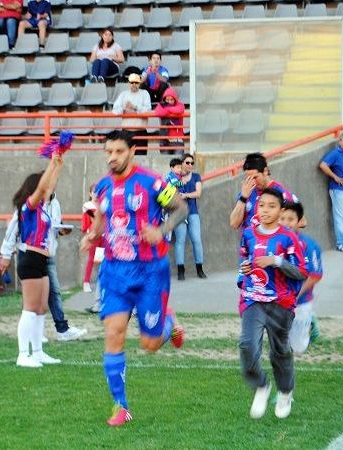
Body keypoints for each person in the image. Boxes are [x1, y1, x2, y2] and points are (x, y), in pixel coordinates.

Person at [79, 130, 187, 427]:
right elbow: (101, 221)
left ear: (132, 151)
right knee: (113, 335)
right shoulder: (102, 187)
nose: (112, 157)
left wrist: (161, 231)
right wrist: (91, 236)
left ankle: (168, 323)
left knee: (149, 345)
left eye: (118, 151)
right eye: (108, 152)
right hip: (115, 273)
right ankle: (121, 406)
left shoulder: (152, 183)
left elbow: (181, 207)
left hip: (150, 272)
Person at [237, 189, 307, 420]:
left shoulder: (288, 238)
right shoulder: (248, 234)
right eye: (262, 206)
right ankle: (261, 385)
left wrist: (277, 261)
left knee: (280, 352)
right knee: (247, 345)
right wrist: (245, 270)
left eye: (271, 206)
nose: (265, 210)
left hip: (281, 303)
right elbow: (244, 262)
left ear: (280, 210)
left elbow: (301, 272)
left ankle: (285, 391)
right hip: (253, 300)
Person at [0, 189, 88, 343]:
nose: (52, 187)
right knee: (32, 298)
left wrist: (62, 231)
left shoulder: (55, 203)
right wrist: (5, 254)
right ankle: (30, 339)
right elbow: (13, 228)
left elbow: (51, 229)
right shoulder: (30, 204)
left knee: (52, 293)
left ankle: (59, 330)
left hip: (48, 255)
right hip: (31, 255)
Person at [9, 157, 66, 367]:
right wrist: (51, 164)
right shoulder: (29, 207)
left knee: (42, 307)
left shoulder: (43, 207)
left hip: (41, 258)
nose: (48, 189)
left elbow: (49, 185)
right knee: (30, 308)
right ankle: (23, 354)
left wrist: (58, 164)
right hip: (30, 258)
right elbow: (44, 185)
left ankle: (38, 352)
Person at [279, 201, 323, 355]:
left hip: (301, 301)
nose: (285, 223)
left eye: (290, 219)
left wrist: (296, 295)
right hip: (278, 301)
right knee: (280, 344)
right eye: (282, 218)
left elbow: (315, 275)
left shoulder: (309, 245)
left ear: (299, 221)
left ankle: (310, 321)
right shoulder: (273, 242)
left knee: (298, 348)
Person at [229, 152, 297, 232]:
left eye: (256, 177)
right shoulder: (246, 192)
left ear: (265, 171)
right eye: (249, 178)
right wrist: (243, 198)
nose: (253, 182)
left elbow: (294, 223)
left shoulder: (281, 193)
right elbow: (234, 223)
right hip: (249, 243)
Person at [174, 154, 206, 281]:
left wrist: (185, 195)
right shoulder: (174, 176)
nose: (190, 165)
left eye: (192, 163)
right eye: (187, 163)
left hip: (192, 211)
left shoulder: (196, 176)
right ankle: (180, 271)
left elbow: (198, 193)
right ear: (181, 163)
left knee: (196, 240)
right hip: (178, 212)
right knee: (180, 241)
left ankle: (200, 269)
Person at [81, 184, 103, 312]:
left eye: (97, 192)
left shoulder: (101, 205)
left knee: (100, 261)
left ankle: (100, 287)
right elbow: (86, 222)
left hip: (103, 236)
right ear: (90, 193)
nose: (95, 194)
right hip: (92, 236)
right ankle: (86, 282)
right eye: (93, 192)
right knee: (91, 259)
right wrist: (87, 233)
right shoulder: (87, 206)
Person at [112, 73, 151, 142]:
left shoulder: (145, 93)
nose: (134, 84)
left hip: (141, 131)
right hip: (126, 131)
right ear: (128, 83)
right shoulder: (123, 94)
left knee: (141, 152)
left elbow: (147, 110)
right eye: (132, 82)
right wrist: (124, 108)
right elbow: (114, 111)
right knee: (126, 152)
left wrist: (134, 107)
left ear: (139, 83)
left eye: (136, 82)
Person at [154, 87, 185, 155]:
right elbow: (158, 112)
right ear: (164, 99)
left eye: (171, 99)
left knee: (178, 161)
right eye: (167, 99)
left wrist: (167, 109)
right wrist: (171, 110)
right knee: (165, 162)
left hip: (177, 140)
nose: (169, 102)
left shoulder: (180, 105)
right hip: (164, 140)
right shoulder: (161, 105)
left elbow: (179, 110)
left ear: (175, 99)